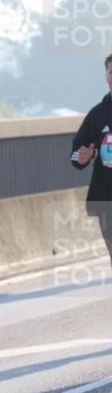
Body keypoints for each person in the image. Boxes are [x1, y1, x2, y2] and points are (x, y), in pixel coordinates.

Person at [70, 52, 112, 267]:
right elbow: (77, 153)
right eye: (111, 72)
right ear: (106, 76)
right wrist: (82, 156)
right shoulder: (98, 114)